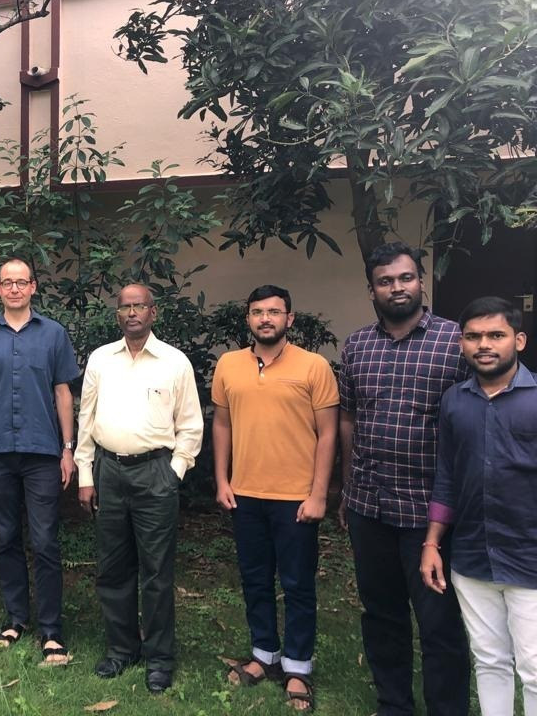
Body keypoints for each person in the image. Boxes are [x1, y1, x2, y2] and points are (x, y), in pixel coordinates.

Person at [339, 242, 470, 715]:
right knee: (381, 615)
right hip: (369, 506)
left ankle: (446, 708)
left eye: (406, 278)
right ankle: (393, 704)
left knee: (438, 622)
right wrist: (346, 488)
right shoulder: (357, 346)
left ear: (421, 281)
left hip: (428, 513)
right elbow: (349, 419)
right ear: (372, 288)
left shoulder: (455, 343)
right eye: (386, 281)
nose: (397, 288)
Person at [212, 285, 338, 711]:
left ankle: (298, 664)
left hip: (296, 498)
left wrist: (319, 493)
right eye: (257, 312)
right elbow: (223, 426)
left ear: (290, 318)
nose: (265, 318)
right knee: (254, 579)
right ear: (247, 318)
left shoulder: (314, 366)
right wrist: (221, 479)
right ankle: (264, 653)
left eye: (274, 312)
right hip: (245, 494)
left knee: (298, 583)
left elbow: (328, 434)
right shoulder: (229, 365)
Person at [75, 284, 203, 694]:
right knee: (112, 568)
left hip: (155, 473)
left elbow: (190, 424)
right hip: (109, 471)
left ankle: (160, 658)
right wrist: (85, 474)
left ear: (153, 312)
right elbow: (86, 419)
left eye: (139, 306)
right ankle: (121, 649)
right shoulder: (100, 360)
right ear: (118, 314)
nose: (132, 313)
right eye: (125, 307)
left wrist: (175, 471)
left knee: (157, 573)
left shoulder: (174, 362)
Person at [0, 258, 79, 667]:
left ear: (33, 287)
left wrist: (68, 448)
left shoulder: (54, 334)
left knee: (45, 541)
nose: (14, 289)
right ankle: (15, 619)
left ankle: (51, 630)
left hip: (43, 453)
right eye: (6, 283)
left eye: (21, 282)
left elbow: (64, 393)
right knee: (7, 538)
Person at [421, 296, 537, 716]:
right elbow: (447, 476)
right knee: (489, 661)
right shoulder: (454, 400)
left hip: (529, 556)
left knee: (535, 667)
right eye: (473, 336)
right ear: (461, 343)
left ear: (518, 340)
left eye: (496, 335)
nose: (483, 344)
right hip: (471, 556)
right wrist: (432, 544)